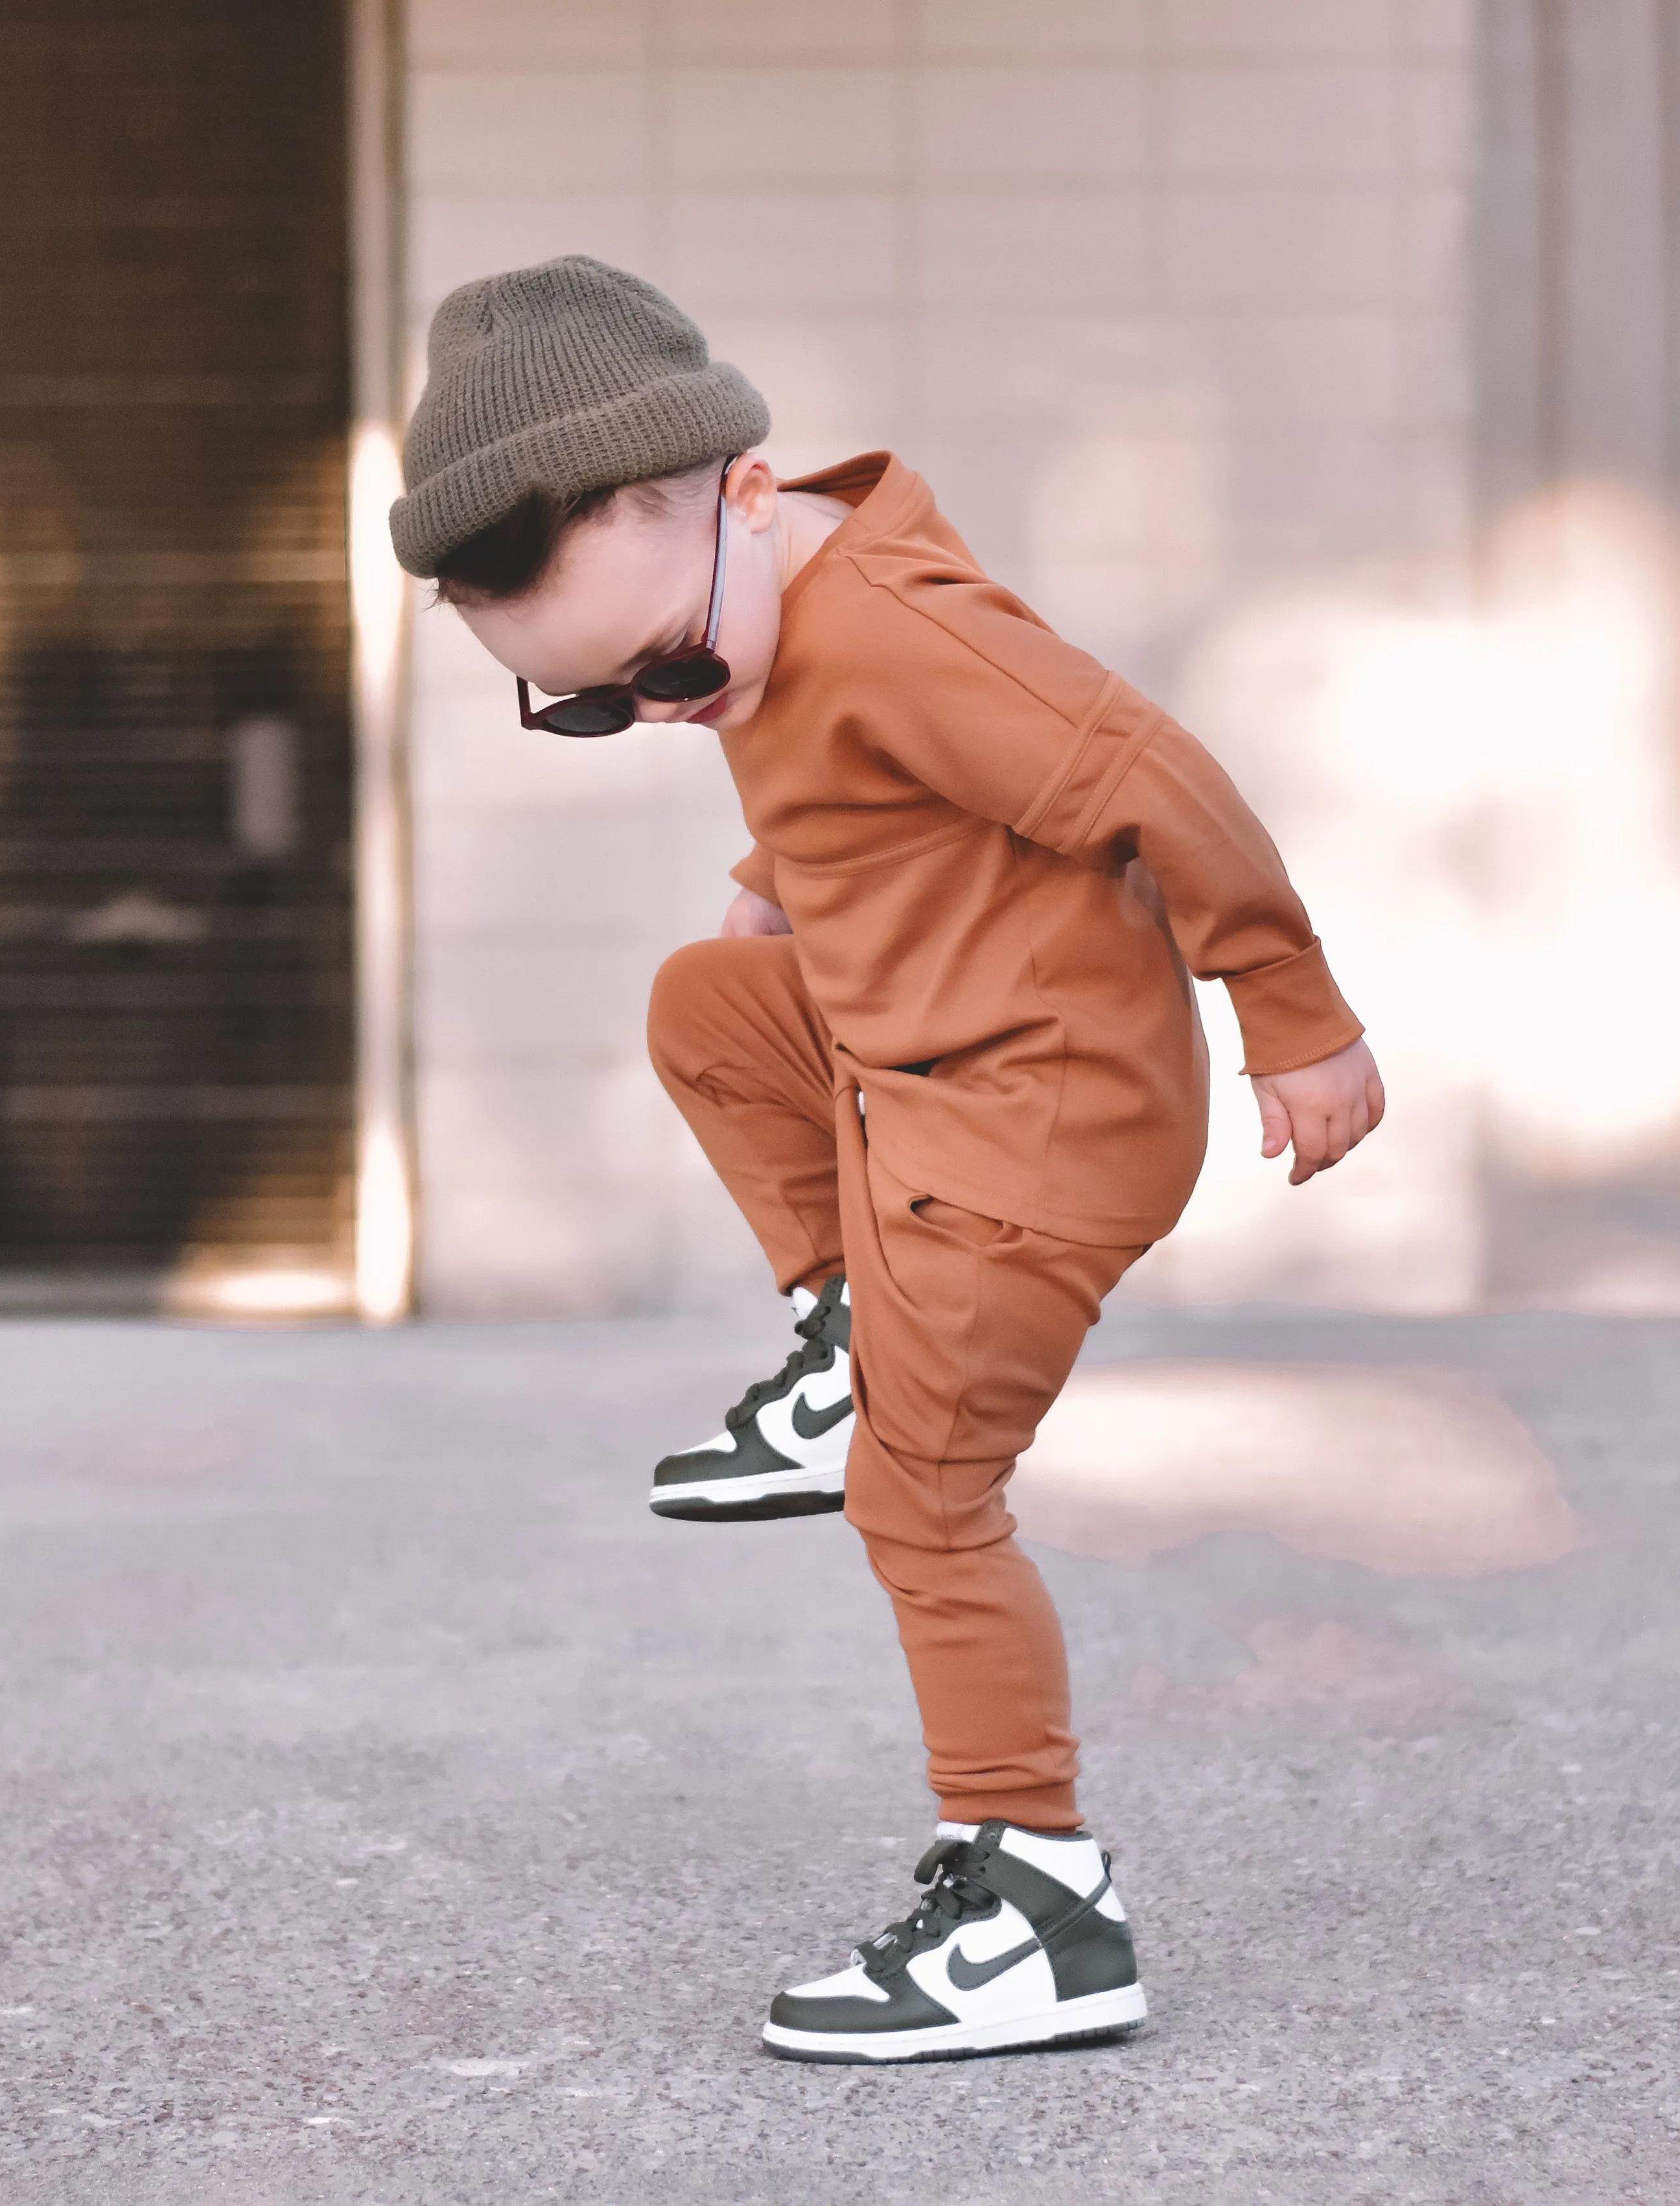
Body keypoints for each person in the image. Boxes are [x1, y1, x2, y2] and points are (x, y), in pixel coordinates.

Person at [390, 256, 1384, 2065]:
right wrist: (778, 881)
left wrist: (1295, 1013)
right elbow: (855, 780)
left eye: (672, 668)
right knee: (711, 1003)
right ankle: (849, 1341)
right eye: (602, 703)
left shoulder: (890, 629)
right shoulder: (765, 602)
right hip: (919, 1058)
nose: (670, 710)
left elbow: (1154, 773)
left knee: (922, 1505)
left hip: (1035, 1115)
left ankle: (1039, 1907)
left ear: (743, 497)